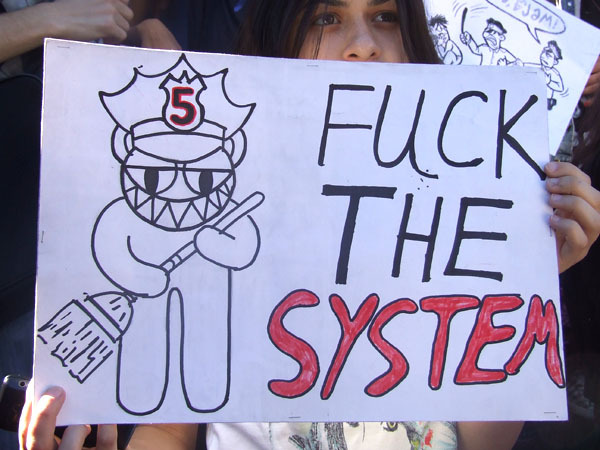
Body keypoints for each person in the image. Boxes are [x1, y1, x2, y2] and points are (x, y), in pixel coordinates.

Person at [18, 0, 600, 449]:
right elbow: (170, 430)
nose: (363, 46)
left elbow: (477, 440)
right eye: (327, 17)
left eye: (385, 17)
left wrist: (528, 281)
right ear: (280, 39)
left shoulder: (464, 217)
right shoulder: (215, 210)